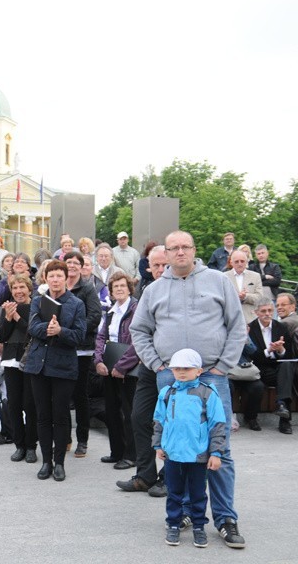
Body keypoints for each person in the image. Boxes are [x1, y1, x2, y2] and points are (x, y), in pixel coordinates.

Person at [130, 230, 247, 549]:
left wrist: (223, 366)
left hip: (213, 376)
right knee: (177, 448)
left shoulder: (218, 281)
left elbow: (237, 326)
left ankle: (225, 518)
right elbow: (138, 330)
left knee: (218, 449)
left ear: (194, 250)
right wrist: (156, 364)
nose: (180, 252)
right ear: (164, 254)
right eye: (173, 248)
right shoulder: (154, 290)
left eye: (185, 247)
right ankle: (182, 510)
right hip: (171, 379)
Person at [153, 348, 226, 548]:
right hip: (173, 454)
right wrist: (158, 444)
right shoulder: (167, 393)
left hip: (198, 455)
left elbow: (218, 424)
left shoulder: (208, 393)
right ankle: (173, 525)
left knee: (198, 494)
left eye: (187, 368)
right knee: (174, 492)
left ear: (198, 370)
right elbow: (159, 420)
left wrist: (216, 453)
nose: (181, 372)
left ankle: (199, 527)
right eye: (177, 369)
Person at [24, 260, 86, 482]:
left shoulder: (76, 303)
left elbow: (79, 335)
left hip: (63, 366)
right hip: (38, 365)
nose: (56, 280)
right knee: (42, 415)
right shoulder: (38, 301)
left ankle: (59, 462)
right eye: (52, 276)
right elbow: (32, 327)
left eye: (60, 276)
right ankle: (46, 462)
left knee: (60, 416)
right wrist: (48, 329)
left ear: (66, 278)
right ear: (45, 278)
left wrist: (60, 331)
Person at [117, 245, 169, 497]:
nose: (160, 269)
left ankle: (168, 477)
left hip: (175, 368)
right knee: (139, 416)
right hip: (150, 365)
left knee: (170, 422)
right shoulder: (148, 290)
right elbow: (140, 331)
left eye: (164, 264)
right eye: (155, 265)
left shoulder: (181, 289)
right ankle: (145, 474)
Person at [94, 272, 140, 468]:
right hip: (109, 367)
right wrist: (98, 361)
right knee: (112, 411)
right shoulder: (110, 312)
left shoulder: (137, 310)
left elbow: (138, 342)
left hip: (128, 369)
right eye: (115, 287)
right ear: (111, 292)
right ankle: (116, 452)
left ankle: (131, 455)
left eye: (123, 285)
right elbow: (100, 338)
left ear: (129, 288)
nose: (119, 289)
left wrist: (122, 367)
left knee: (129, 414)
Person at [0, 274, 38, 463]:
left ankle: (31, 446)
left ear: (29, 289)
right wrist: (8, 319)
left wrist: (18, 317)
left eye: (22, 287)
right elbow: (1, 336)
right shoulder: (7, 308)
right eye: (15, 288)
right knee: (14, 405)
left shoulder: (36, 307)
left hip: (29, 360)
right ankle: (19, 445)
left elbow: (33, 332)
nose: (19, 291)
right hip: (11, 359)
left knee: (30, 405)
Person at [63, 251, 102, 457]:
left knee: (80, 396)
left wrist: (74, 332)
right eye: (68, 262)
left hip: (82, 349)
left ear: (81, 266)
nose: (71, 266)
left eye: (75, 263)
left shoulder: (87, 289)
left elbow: (95, 315)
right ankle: (65, 438)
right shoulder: (59, 288)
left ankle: (82, 441)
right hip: (62, 348)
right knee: (62, 396)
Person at [235, 298, 295, 434]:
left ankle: (282, 408)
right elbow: (252, 355)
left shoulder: (281, 327)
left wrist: (280, 350)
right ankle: (281, 413)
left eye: (270, 310)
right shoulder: (251, 328)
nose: (267, 314)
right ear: (256, 312)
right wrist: (268, 351)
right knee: (283, 379)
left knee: (286, 367)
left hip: (278, 367)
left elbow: (288, 355)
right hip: (258, 368)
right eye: (263, 311)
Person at [224, 250, 263, 323]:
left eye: (242, 261)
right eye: (236, 261)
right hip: (230, 318)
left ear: (246, 262)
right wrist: (235, 296)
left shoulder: (255, 276)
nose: (240, 264)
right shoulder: (224, 277)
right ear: (231, 263)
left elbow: (259, 297)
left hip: (251, 319)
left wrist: (245, 297)